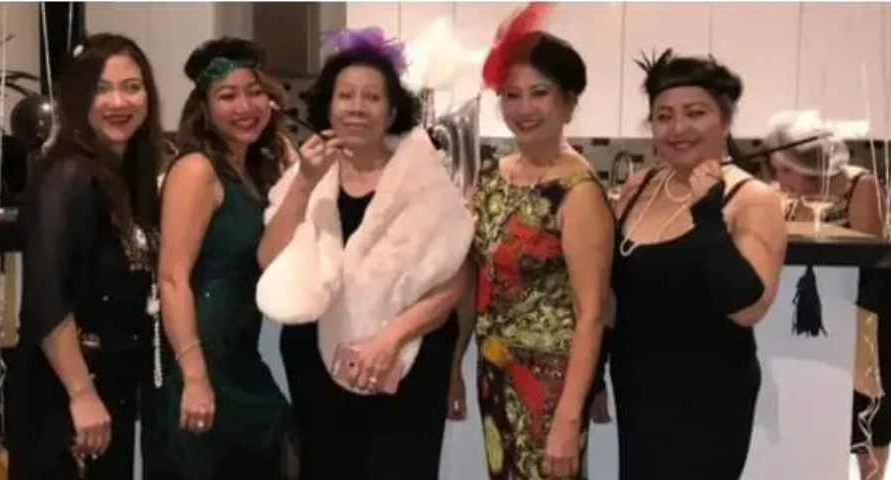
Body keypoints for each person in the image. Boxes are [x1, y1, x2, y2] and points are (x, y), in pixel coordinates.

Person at [255, 27, 473, 480]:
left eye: (372, 97)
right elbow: (269, 259)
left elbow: (456, 278)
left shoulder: (425, 179)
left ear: (391, 111)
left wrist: (389, 340)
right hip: (316, 360)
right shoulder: (305, 173)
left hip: (407, 359)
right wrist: (305, 182)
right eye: (346, 95)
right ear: (328, 105)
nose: (357, 107)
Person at [609, 50, 787, 480]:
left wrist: (707, 212)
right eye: (664, 116)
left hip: (711, 397)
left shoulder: (752, 198)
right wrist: (595, 375)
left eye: (695, 113)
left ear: (724, 121)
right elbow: (616, 295)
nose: (678, 128)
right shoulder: (639, 187)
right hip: (637, 388)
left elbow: (747, 307)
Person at [456, 6, 613, 478]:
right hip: (494, 369)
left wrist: (569, 418)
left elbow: (591, 313)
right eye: (512, 95)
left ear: (569, 102)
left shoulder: (578, 192)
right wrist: (455, 365)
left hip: (551, 382)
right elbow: (475, 281)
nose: (523, 108)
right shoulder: (493, 177)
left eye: (539, 93)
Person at [7, 33, 165, 480]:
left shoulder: (126, 176)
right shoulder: (67, 176)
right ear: (78, 99)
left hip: (111, 386)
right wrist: (80, 393)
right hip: (65, 395)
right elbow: (45, 298)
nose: (119, 102)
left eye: (131, 87)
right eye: (101, 89)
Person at [145, 37, 296, 480]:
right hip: (199, 359)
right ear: (205, 108)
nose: (245, 106)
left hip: (240, 357)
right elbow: (172, 278)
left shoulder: (253, 170)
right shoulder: (197, 170)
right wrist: (194, 376)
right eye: (227, 96)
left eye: (254, 92)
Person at [764, 112, 888, 480]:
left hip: (864, 318)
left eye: (786, 170)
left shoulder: (859, 186)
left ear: (810, 162)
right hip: (817, 321)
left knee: (868, 415)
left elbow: (867, 256)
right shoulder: (788, 196)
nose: (778, 179)